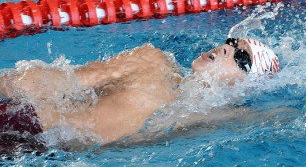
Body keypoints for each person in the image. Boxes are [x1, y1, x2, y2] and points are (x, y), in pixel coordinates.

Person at [0, 37, 279, 145]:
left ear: (245, 85)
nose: (226, 47)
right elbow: (60, 81)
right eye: (231, 41)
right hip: (23, 124)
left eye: (241, 57)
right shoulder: (153, 62)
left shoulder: (206, 115)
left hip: (38, 152)